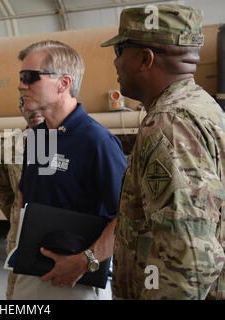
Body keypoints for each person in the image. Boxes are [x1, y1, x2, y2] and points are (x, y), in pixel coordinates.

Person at [101, 4, 225, 299]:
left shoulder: (169, 124)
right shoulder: (203, 107)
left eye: (119, 51)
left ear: (145, 59)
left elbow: (189, 261)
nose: (115, 63)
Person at [14, 40, 127, 300]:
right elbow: (26, 199)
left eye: (30, 77)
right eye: (21, 77)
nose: (21, 85)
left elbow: (127, 217)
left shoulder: (98, 142)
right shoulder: (36, 138)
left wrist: (85, 260)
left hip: (78, 283)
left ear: (63, 84)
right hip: (32, 276)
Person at [0, 103, 44, 300]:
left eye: (39, 105)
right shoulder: (10, 147)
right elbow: (0, 188)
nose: (33, 111)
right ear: (21, 109)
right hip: (21, 242)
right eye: (27, 105)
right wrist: (16, 216)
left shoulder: (69, 143)